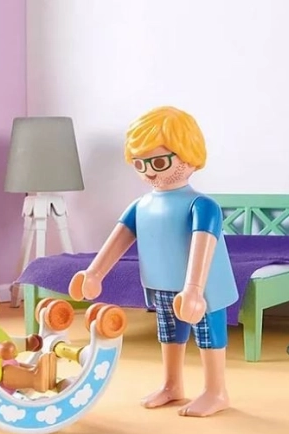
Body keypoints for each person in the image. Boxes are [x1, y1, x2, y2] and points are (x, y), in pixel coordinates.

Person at [69, 106, 238, 417]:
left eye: (158, 162)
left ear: (188, 156)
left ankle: (216, 391)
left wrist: (195, 288)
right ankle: (172, 385)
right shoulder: (141, 205)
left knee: (209, 336)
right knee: (169, 334)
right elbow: (119, 238)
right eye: (140, 163)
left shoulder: (202, 205)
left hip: (202, 289)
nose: (149, 172)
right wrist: (94, 273)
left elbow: (203, 244)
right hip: (162, 283)